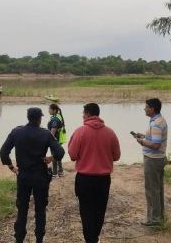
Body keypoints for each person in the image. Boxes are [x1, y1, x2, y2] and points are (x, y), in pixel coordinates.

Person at [0, 107, 65, 243]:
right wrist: (50, 158)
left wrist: (12, 167)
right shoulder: (45, 134)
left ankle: (19, 238)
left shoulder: (17, 131)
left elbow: (4, 152)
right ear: (40, 119)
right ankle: (40, 239)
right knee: (40, 210)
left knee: (22, 208)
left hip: (23, 176)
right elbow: (60, 152)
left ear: (28, 117)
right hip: (40, 177)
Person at [68, 103, 121, 243]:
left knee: (86, 209)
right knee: (100, 209)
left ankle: (90, 240)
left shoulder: (80, 131)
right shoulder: (110, 132)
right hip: (103, 179)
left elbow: (72, 155)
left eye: (83, 113)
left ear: (88, 114)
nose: (82, 116)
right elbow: (116, 156)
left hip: (84, 178)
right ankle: (94, 238)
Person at [135, 98, 168, 227]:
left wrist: (141, 142)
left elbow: (155, 145)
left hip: (153, 160)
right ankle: (159, 215)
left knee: (152, 189)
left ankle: (154, 219)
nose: (144, 109)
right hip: (158, 158)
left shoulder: (156, 123)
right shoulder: (157, 120)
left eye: (146, 106)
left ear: (152, 108)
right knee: (157, 188)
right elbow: (155, 139)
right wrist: (144, 136)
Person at [47, 103, 66, 178]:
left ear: (54, 110)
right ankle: (60, 171)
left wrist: (49, 140)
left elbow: (53, 130)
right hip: (58, 140)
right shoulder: (58, 116)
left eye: (49, 109)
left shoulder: (55, 119)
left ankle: (55, 174)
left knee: (54, 156)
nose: (48, 111)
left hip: (55, 140)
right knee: (58, 154)